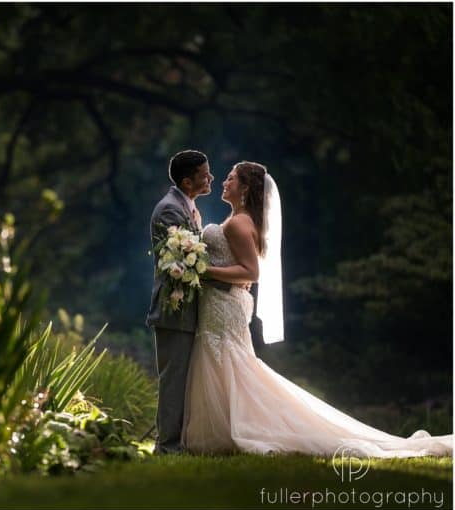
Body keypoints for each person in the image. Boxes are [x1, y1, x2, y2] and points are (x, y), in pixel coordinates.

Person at [181, 161, 452, 457]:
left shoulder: (238, 223)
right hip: (224, 303)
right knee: (229, 363)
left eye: (231, 178)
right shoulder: (241, 221)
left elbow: (251, 272)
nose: (224, 182)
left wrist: (206, 272)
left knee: (232, 362)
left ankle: (238, 429)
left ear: (245, 188)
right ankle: (223, 429)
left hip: (225, 303)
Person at [146, 149, 215, 455]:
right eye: (205, 174)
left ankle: (182, 441)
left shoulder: (187, 206)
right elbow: (187, 261)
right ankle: (167, 446)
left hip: (189, 308)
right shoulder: (169, 210)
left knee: (185, 380)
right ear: (188, 182)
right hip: (175, 309)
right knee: (173, 380)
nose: (210, 178)